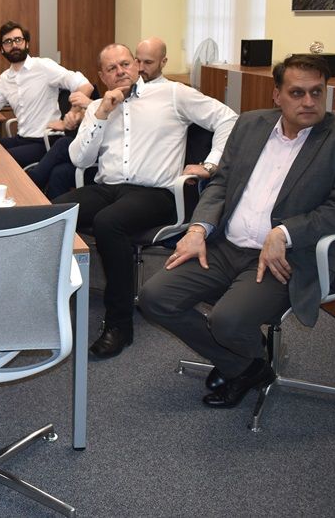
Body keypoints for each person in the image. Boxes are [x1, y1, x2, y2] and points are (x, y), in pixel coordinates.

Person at [139, 55, 335, 408]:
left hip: (283, 258)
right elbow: (220, 184)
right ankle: (246, 365)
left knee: (227, 321)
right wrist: (199, 228)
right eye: (297, 92)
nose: (309, 102)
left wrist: (284, 232)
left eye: (316, 92)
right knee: (155, 298)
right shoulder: (250, 125)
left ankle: (238, 357)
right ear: (277, 94)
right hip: (223, 245)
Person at [56, 43, 238, 359]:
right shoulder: (97, 106)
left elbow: (228, 118)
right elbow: (80, 159)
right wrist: (100, 114)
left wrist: (211, 163)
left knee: (109, 223)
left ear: (137, 65)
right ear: (102, 76)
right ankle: (48, 306)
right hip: (107, 188)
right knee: (54, 214)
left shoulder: (172, 94)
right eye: (111, 69)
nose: (120, 71)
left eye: (125, 64)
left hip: (158, 194)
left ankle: (119, 325)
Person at [0, 21, 94, 167]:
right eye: (8, 42)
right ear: (2, 49)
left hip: (46, 141)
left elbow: (85, 86)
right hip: (22, 139)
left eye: (18, 40)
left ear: (26, 44)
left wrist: (72, 114)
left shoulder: (43, 66)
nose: (14, 45)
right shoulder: (5, 78)